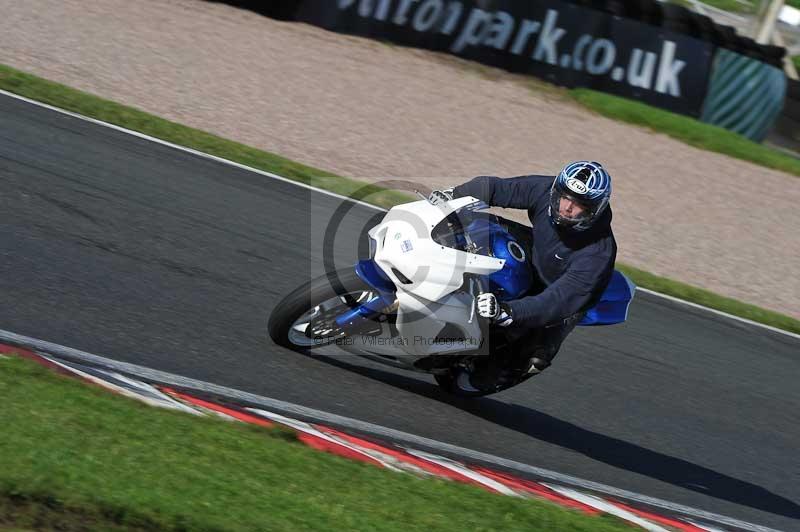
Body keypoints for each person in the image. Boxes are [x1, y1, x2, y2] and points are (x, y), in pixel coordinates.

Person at [429, 161, 616, 381]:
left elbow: (556, 301)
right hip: (537, 247)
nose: (566, 207)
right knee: (473, 224)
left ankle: (493, 367)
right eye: (564, 197)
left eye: (579, 204)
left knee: (530, 359)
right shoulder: (546, 190)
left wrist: (508, 311)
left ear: (595, 210)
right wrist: (454, 195)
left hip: (561, 291)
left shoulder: (597, 253)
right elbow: (497, 188)